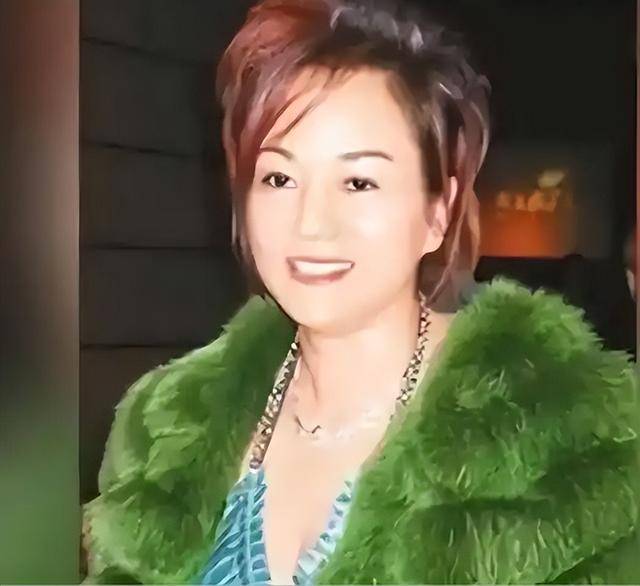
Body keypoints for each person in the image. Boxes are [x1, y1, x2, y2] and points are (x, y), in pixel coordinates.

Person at [82, 0, 639, 584]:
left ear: (438, 210)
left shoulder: (571, 439)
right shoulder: (164, 428)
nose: (311, 224)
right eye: (279, 177)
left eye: (358, 181)